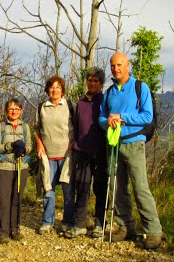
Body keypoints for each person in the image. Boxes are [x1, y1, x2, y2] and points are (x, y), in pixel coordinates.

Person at [98, 52, 162, 249]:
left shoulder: (140, 87)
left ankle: (153, 232)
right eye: (112, 65)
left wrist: (121, 117)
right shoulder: (109, 92)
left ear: (127, 65)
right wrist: (107, 121)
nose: (115, 68)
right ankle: (125, 227)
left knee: (140, 187)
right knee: (116, 188)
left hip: (135, 144)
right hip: (114, 144)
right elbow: (101, 118)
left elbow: (147, 116)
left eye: (119, 65)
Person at [64, 67, 108, 239]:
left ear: (101, 83)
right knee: (82, 187)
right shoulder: (80, 103)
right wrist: (74, 144)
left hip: (100, 151)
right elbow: (75, 126)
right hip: (81, 151)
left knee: (100, 188)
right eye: (90, 80)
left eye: (95, 80)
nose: (92, 83)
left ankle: (99, 224)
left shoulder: (105, 101)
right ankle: (79, 223)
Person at [35, 76, 74, 235]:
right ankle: (47, 221)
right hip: (48, 155)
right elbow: (37, 128)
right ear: (47, 90)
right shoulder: (42, 107)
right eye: (52, 87)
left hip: (66, 154)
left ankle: (67, 222)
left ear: (62, 90)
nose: (55, 90)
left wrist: (74, 143)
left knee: (68, 191)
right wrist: (39, 143)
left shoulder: (70, 106)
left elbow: (77, 127)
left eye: (58, 87)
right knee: (48, 190)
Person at [0, 98, 32, 244]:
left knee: (17, 198)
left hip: (21, 167)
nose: (14, 111)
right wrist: (11, 146)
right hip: (4, 166)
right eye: (10, 109)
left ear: (21, 111)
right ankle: (2, 232)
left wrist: (24, 149)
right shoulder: (0, 127)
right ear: (6, 111)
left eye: (17, 108)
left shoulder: (25, 127)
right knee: (4, 199)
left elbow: (30, 146)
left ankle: (15, 229)